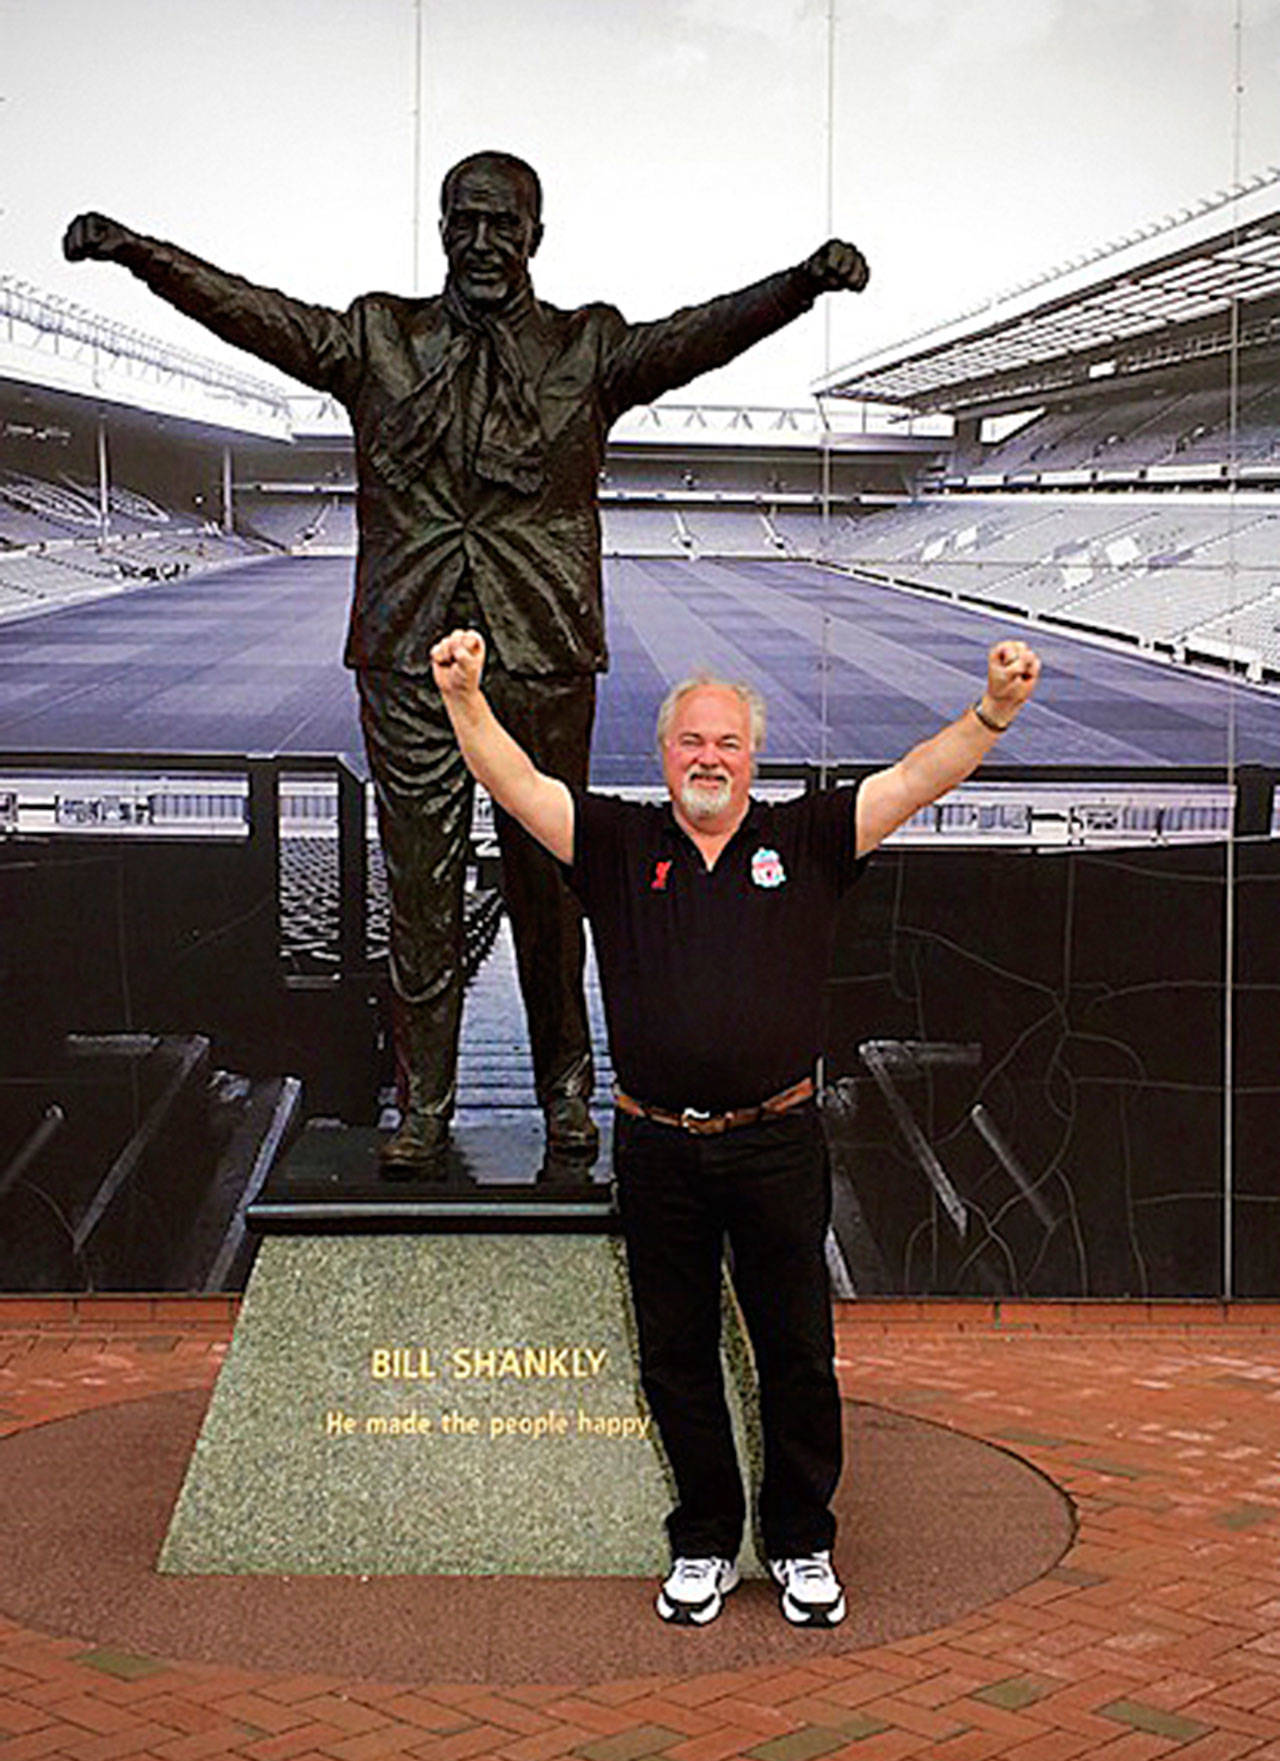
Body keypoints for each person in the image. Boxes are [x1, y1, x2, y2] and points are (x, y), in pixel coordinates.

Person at [63, 155, 871, 1175]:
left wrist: (800, 284)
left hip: (540, 650)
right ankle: (423, 1107)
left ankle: (566, 1091)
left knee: (551, 889)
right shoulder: (378, 336)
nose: (482, 243)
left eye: (503, 224)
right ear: (440, 227)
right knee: (420, 892)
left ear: (535, 235)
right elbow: (255, 315)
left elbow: (696, 336)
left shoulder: (587, 346)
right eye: (464, 222)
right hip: (407, 654)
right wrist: (141, 256)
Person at [428, 624, 1041, 1626]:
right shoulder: (618, 842)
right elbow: (516, 783)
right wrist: (463, 697)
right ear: (663, 755)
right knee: (675, 1358)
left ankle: (800, 1540)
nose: (708, 758)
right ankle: (706, 1540)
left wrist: (992, 713)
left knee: (795, 1352)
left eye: (726, 742)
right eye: (690, 742)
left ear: (752, 756)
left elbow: (917, 778)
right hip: (657, 1147)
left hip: (775, 1144)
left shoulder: (808, 838)